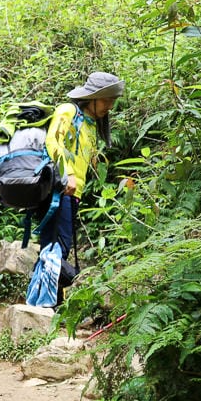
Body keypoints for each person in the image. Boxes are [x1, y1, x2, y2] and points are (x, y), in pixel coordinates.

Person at [40, 72, 124, 303]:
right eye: (106, 100)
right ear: (91, 98)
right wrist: (67, 175)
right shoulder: (68, 111)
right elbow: (52, 141)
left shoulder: (89, 124)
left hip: (71, 195)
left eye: (112, 101)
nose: (110, 106)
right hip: (59, 191)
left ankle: (48, 304)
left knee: (57, 248)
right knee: (58, 248)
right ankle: (47, 306)